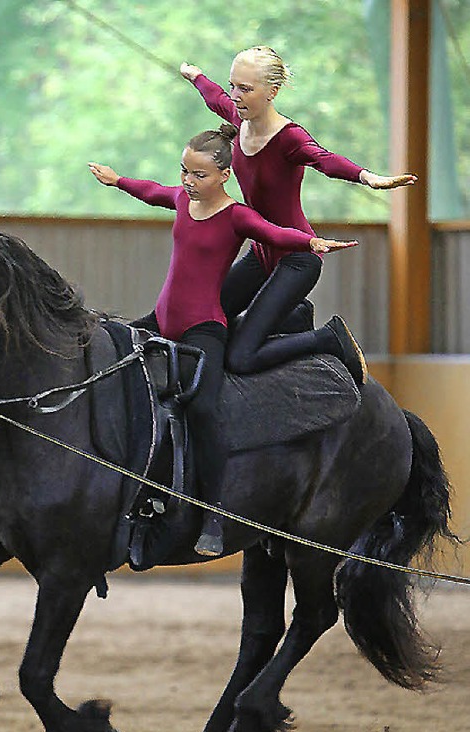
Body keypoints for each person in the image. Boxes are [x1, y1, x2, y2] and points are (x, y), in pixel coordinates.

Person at [88, 125, 357, 557]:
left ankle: (212, 512)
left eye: (199, 175)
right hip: (160, 320)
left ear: (224, 176)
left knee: (205, 408)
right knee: (105, 353)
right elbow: (151, 191)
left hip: (203, 328)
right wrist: (117, 179)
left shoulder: (235, 216)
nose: (188, 183)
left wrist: (311, 242)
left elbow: (275, 234)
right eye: (184, 172)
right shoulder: (180, 200)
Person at [180, 47, 417, 374]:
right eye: (233, 85)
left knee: (241, 358)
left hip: (297, 258)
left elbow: (325, 159)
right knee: (200, 318)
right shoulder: (238, 118)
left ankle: (328, 339)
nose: (235, 96)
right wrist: (195, 76)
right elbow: (215, 97)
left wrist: (368, 177)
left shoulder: (288, 137)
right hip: (261, 254)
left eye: (245, 89)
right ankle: (293, 317)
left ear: (272, 92)